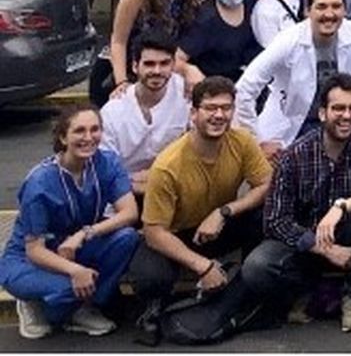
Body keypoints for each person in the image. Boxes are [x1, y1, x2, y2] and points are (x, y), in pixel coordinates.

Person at [242, 73, 351, 333]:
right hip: (306, 241)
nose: (347, 115)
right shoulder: (295, 154)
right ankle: (308, 291)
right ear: (322, 113)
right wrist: (324, 248)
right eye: (338, 108)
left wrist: (342, 206)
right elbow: (274, 220)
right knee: (257, 267)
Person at [128, 77, 272, 345]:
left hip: (216, 227)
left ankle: (248, 293)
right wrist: (203, 267)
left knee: (264, 217)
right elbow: (154, 231)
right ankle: (153, 311)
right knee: (151, 277)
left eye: (226, 108)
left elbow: (265, 184)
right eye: (210, 108)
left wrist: (225, 211)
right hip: (174, 235)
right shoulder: (168, 164)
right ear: (193, 113)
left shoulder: (242, 141)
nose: (219, 115)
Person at [1, 105, 140, 339]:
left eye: (95, 129)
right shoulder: (39, 183)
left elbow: (129, 213)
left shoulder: (107, 162)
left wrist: (85, 233)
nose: (88, 138)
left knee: (127, 237)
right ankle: (32, 303)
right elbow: (35, 250)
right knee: (67, 291)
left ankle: (82, 309)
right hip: (30, 260)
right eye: (79, 131)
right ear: (63, 137)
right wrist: (77, 271)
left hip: (74, 248)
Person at [235, 0, 351, 155]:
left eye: (336, 6)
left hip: (344, 123)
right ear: (308, 11)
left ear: (345, 10)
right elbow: (244, 88)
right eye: (321, 7)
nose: (329, 14)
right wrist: (257, 140)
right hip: (294, 128)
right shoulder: (288, 41)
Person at [99, 32, 189, 196]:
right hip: (123, 194)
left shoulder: (187, 94)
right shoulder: (112, 112)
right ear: (135, 66)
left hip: (173, 188)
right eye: (149, 64)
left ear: (173, 65)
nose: (157, 71)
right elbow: (105, 171)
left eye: (164, 63)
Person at [175, 0, 262, 83]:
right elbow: (177, 59)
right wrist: (188, 70)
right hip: (214, 92)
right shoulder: (204, 18)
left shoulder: (254, 4)